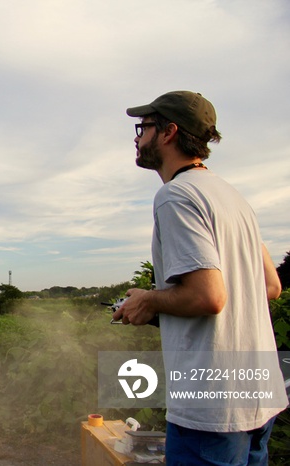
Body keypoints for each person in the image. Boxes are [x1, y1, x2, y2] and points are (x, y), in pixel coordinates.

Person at [113, 90, 287, 465]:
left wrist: (149, 299)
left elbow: (208, 297)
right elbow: (270, 287)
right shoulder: (232, 197)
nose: (137, 137)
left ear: (168, 132)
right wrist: (160, 306)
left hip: (212, 407)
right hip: (260, 394)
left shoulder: (176, 196)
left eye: (144, 128)